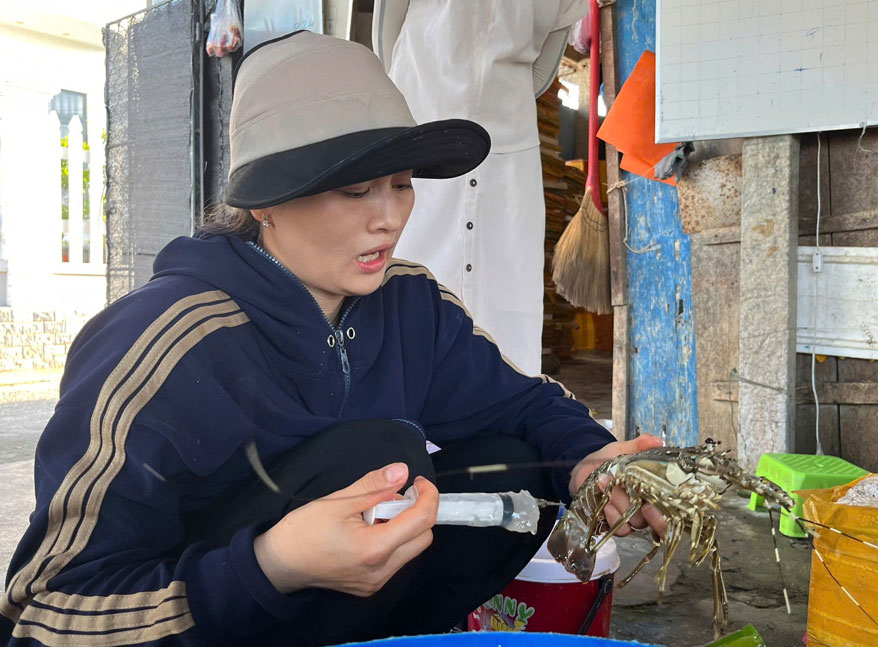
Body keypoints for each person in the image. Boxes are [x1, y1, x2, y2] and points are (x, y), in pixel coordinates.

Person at [1, 32, 662, 647]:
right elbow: (45, 610)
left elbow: (523, 404)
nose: (390, 216)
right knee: (380, 454)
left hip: (351, 607)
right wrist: (271, 565)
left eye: (402, 184)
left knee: (516, 463)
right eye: (355, 189)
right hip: (205, 619)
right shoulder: (160, 341)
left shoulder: (410, 303)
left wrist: (592, 462)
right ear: (265, 203)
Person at [373, 0, 588, 376]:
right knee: (422, 269)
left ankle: (491, 405)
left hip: (440, 121)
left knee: (497, 284)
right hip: (477, 126)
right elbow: (543, 68)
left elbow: (386, 37)